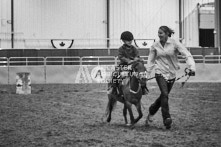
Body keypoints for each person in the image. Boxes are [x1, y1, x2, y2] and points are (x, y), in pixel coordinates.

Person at [145, 26, 196, 129]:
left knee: (163, 96)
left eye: (161, 33)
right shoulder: (155, 45)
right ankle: (166, 119)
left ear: (167, 33)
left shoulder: (175, 43)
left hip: (172, 74)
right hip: (160, 72)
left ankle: (151, 111)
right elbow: (150, 61)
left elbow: (186, 54)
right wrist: (146, 75)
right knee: (164, 93)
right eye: (158, 33)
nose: (159, 35)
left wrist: (192, 67)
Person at [107, 31, 149, 96]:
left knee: (142, 72)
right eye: (128, 40)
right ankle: (113, 88)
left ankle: (144, 87)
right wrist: (128, 61)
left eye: (131, 40)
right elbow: (120, 57)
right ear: (123, 40)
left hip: (134, 65)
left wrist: (136, 59)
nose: (130, 41)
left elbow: (137, 56)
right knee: (115, 73)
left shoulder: (134, 49)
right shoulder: (121, 49)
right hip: (123, 65)